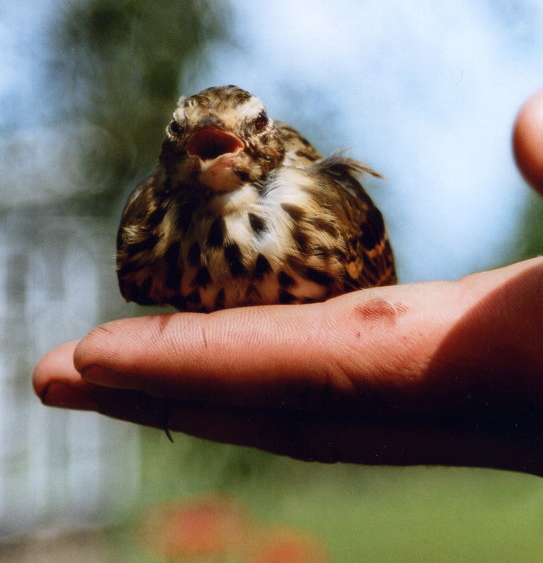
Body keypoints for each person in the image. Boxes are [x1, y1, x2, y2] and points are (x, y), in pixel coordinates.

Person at [33, 90, 543, 476]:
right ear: (174, 150)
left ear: (267, 135)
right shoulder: (149, 227)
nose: (216, 140)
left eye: (252, 125)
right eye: (182, 133)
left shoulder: (322, 206)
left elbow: (382, 299)